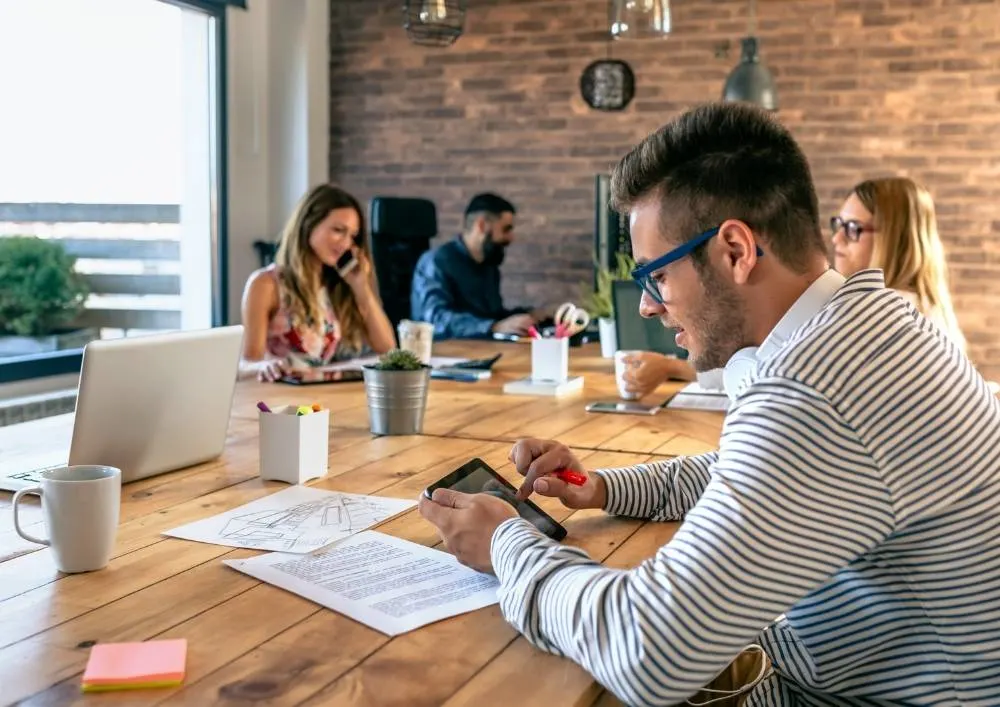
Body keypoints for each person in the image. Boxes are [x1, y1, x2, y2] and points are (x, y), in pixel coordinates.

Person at [418, 102, 1000, 705]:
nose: (647, 305)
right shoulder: (868, 325)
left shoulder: (810, 392)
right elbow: (738, 470)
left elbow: (649, 651)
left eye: (656, 277)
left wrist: (505, 546)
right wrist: (600, 488)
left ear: (735, 251)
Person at [239, 183, 395, 381]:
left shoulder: (334, 285)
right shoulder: (266, 284)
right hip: (279, 400)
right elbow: (247, 363)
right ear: (308, 224)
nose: (346, 244)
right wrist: (264, 366)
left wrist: (360, 286)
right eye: (338, 230)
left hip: (319, 398)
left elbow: (388, 349)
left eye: (352, 236)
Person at [833, 176, 966, 350]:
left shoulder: (886, 315)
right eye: (839, 224)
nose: (837, 238)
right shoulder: (928, 310)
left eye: (853, 227)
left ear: (893, 239)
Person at [410, 193, 549, 339]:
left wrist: (526, 316)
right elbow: (434, 320)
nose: (511, 237)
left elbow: (490, 316)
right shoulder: (436, 262)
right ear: (482, 225)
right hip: (447, 354)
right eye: (506, 229)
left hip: (484, 349)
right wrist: (494, 327)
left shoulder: (489, 266)